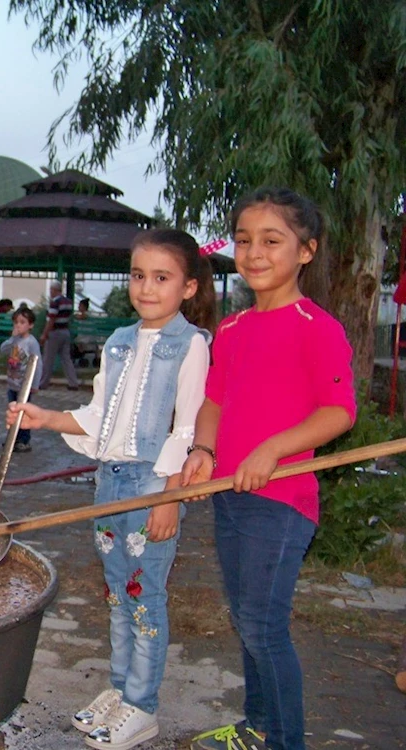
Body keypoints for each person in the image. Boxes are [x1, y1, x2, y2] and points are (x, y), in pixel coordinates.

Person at [7, 228, 216, 749]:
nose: (147, 288)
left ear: (188, 288)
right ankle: (121, 692)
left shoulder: (192, 345)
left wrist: (168, 497)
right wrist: (47, 417)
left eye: (162, 278)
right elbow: (100, 418)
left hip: (152, 484)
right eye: (139, 275)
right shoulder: (120, 342)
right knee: (119, 593)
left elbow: (188, 427)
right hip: (110, 481)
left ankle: (142, 706)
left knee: (147, 596)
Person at [184, 189, 356, 750]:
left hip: (281, 502)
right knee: (247, 622)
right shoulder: (231, 330)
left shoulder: (316, 327)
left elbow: (339, 413)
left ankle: (284, 741)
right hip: (230, 493)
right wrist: (203, 452)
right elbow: (213, 401)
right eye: (243, 241)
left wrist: (273, 450)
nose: (253, 253)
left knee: (264, 627)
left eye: (271, 241)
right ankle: (256, 729)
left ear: (306, 251)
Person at [0, 308, 42, 453]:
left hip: (25, 385)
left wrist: (35, 383)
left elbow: (37, 363)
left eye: (22, 322)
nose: (18, 325)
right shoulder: (14, 341)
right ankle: (13, 438)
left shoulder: (31, 343)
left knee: (23, 413)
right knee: (13, 411)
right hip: (13, 382)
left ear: (30, 325)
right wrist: (12, 339)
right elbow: (3, 350)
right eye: (16, 322)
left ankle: (24, 440)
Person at [38, 281, 79, 390]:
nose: (50, 292)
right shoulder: (69, 302)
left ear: (55, 290)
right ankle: (73, 382)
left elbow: (51, 319)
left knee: (48, 359)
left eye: (51, 290)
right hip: (65, 331)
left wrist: (44, 334)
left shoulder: (55, 302)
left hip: (54, 332)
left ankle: (43, 382)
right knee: (66, 359)